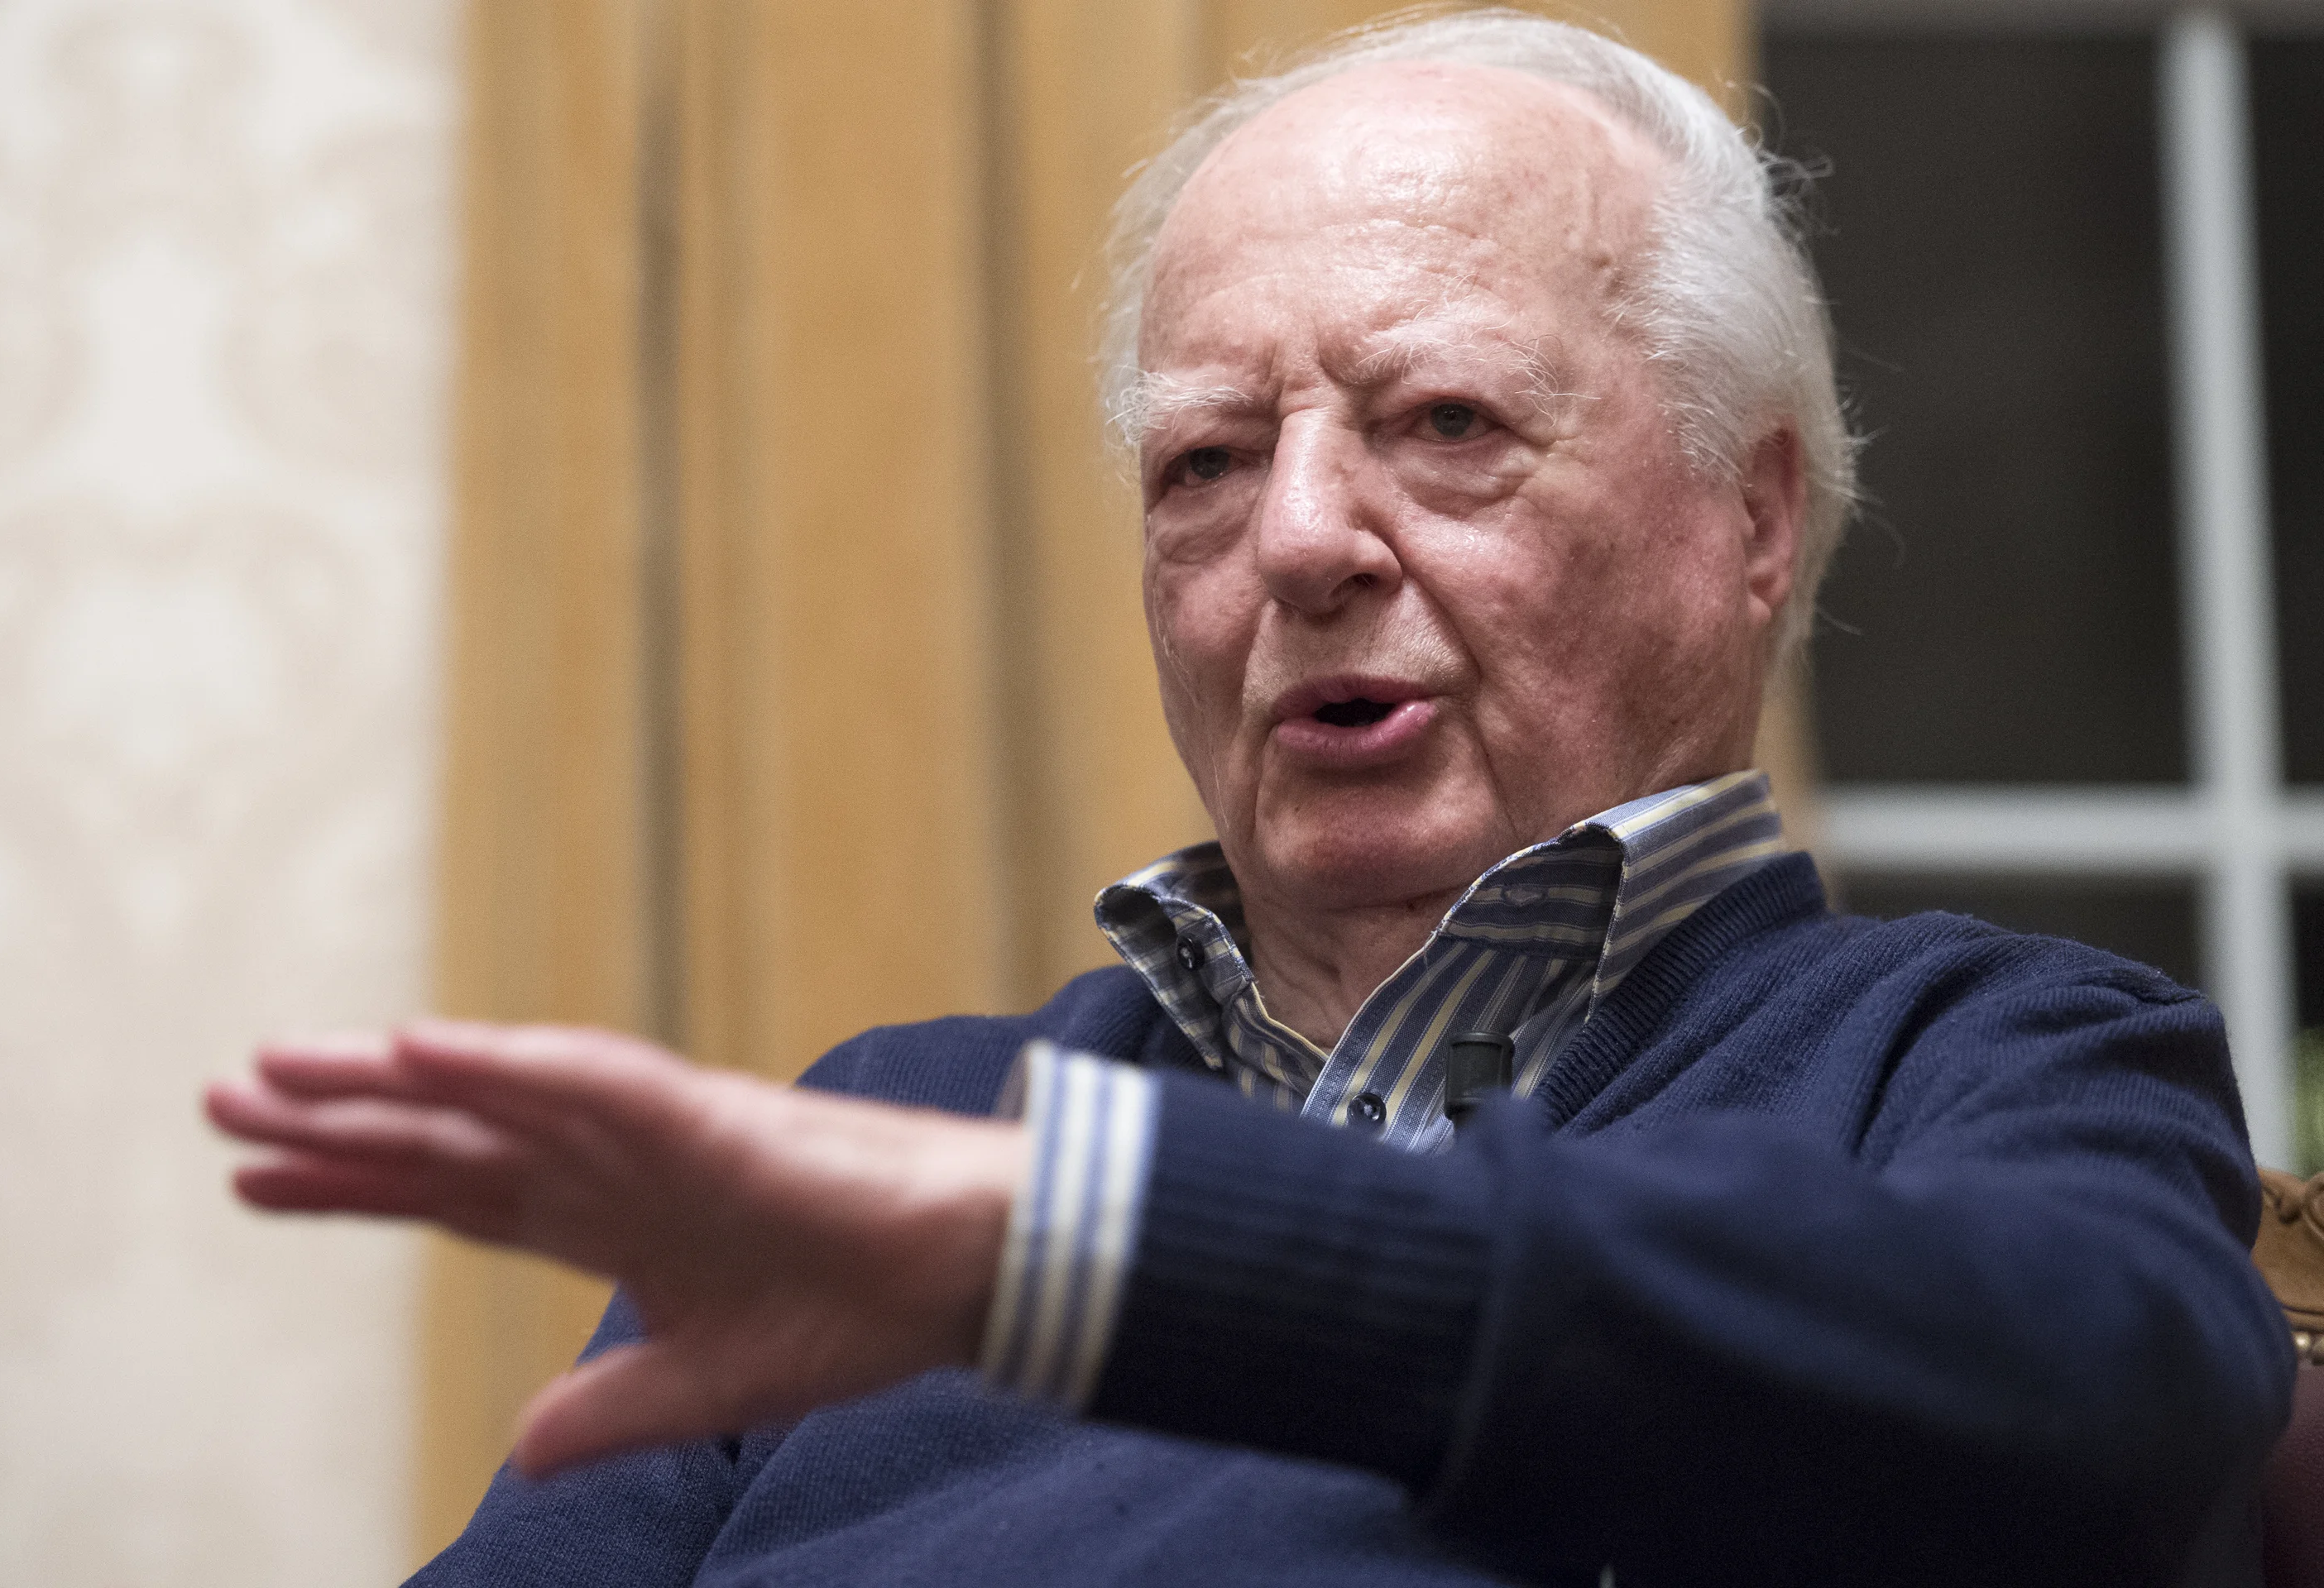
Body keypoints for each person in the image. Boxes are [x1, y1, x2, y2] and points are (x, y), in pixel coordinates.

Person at [206, 12, 2292, 1586]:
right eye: (1204, 460)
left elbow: (2109, 1415)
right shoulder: (910, 1120)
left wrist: (1091, 1252)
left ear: (1746, 516)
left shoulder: (1986, 1053)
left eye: (1445, 421)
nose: (1295, 540)